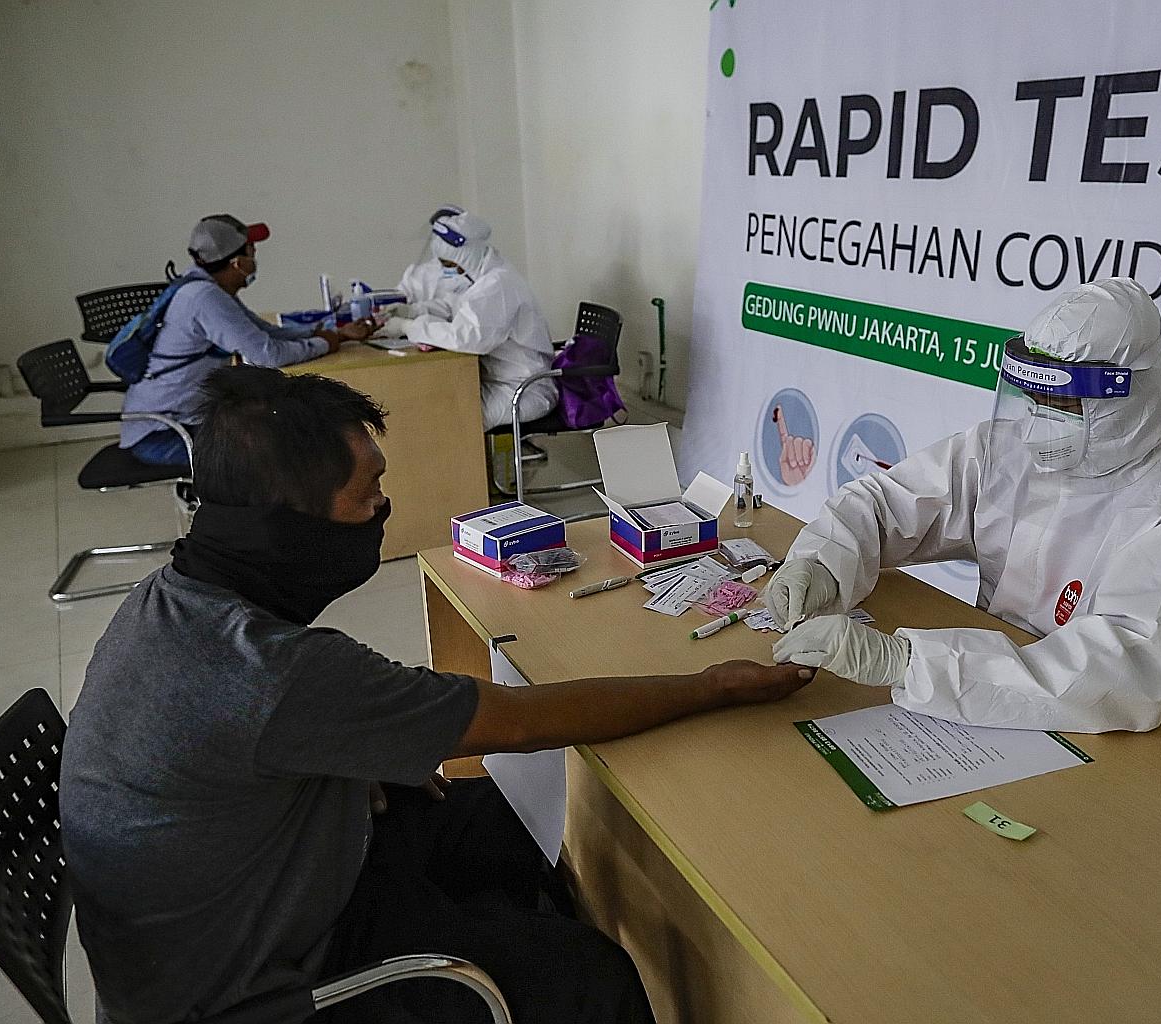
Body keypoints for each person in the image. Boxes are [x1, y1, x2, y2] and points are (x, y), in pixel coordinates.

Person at [61, 364, 811, 1024]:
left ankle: (498, 938)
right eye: (368, 493)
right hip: (249, 991)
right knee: (588, 978)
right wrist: (712, 686)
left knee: (503, 819)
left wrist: (361, 762)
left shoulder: (171, 597)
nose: (385, 506)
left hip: (228, 910)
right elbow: (521, 722)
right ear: (291, 526)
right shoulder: (273, 670)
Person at [768, 278, 1161, 733]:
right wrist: (822, 564)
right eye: (1033, 396)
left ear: (1123, 400)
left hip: (1131, 738)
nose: (1037, 421)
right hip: (985, 696)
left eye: (1060, 402)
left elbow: (1116, 675)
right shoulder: (1005, 452)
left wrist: (905, 662)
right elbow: (886, 505)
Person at [118, 214, 375, 467]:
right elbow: (267, 354)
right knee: (277, 450)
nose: (254, 258)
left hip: (181, 420)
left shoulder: (205, 287)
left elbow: (265, 331)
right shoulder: (204, 298)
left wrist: (331, 334)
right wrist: (326, 343)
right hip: (165, 433)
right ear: (236, 262)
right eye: (251, 250)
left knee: (280, 427)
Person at [377, 206, 559, 429]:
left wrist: (409, 326)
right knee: (443, 403)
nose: (447, 271)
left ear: (465, 256)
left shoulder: (496, 286)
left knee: (457, 419)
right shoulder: (487, 278)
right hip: (503, 382)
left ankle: (471, 464)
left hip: (523, 389)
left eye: (449, 265)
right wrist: (413, 311)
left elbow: (466, 338)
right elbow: (456, 307)